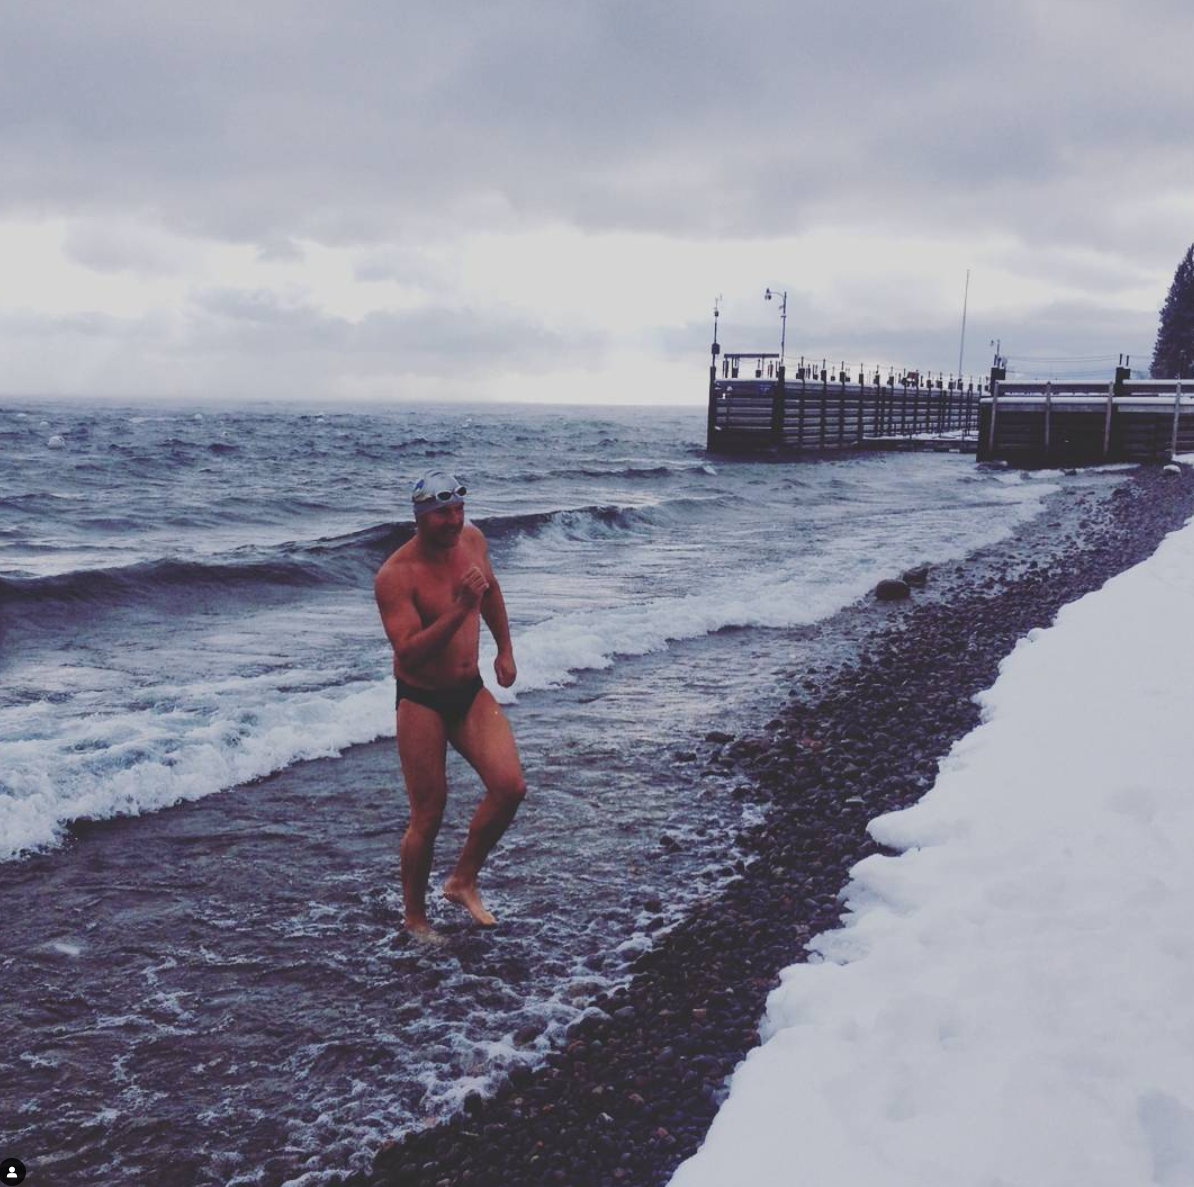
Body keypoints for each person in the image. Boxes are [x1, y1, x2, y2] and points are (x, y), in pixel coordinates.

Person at [374, 470, 526, 938]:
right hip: (422, 700)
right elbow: (408, 652)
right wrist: (459, 608)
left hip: (469, 689)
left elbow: (490, 590)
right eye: (443, 514)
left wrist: (504, 649)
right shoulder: (395, 575)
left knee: (510, 788)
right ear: (420, 518)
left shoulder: (472, 540)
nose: (454, 521)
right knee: (429, 812)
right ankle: (415, 917)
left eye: (459, 510)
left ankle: (462, 880)